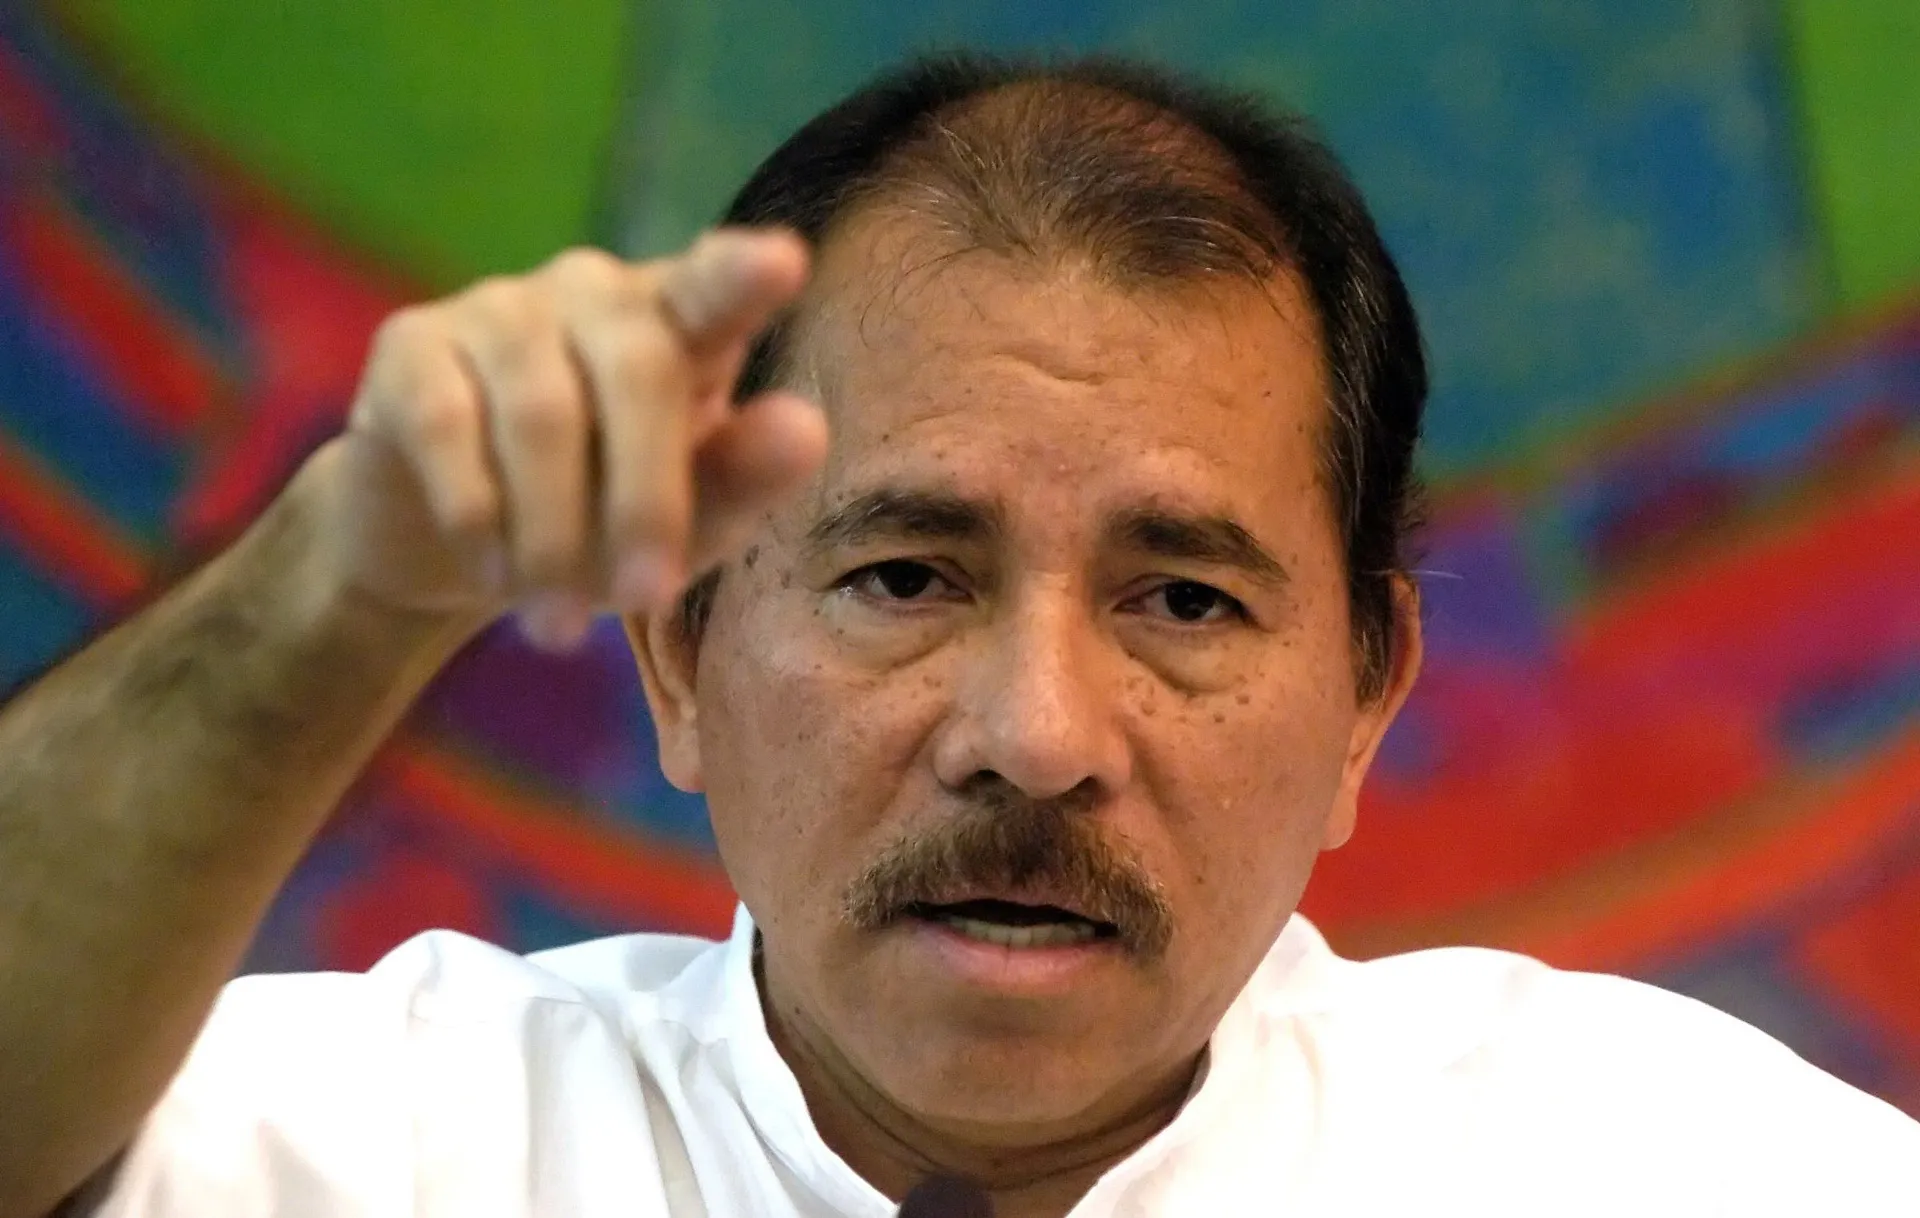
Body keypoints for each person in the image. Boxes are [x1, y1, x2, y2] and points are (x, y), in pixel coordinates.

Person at [0, 52, 1914, 1218]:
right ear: (677, 651)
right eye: (907, 575)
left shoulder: (1670, 1165)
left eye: (1183, 599)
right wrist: (338, 575)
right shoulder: (377, 1142)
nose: (1036, 730)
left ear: (1363, 700)